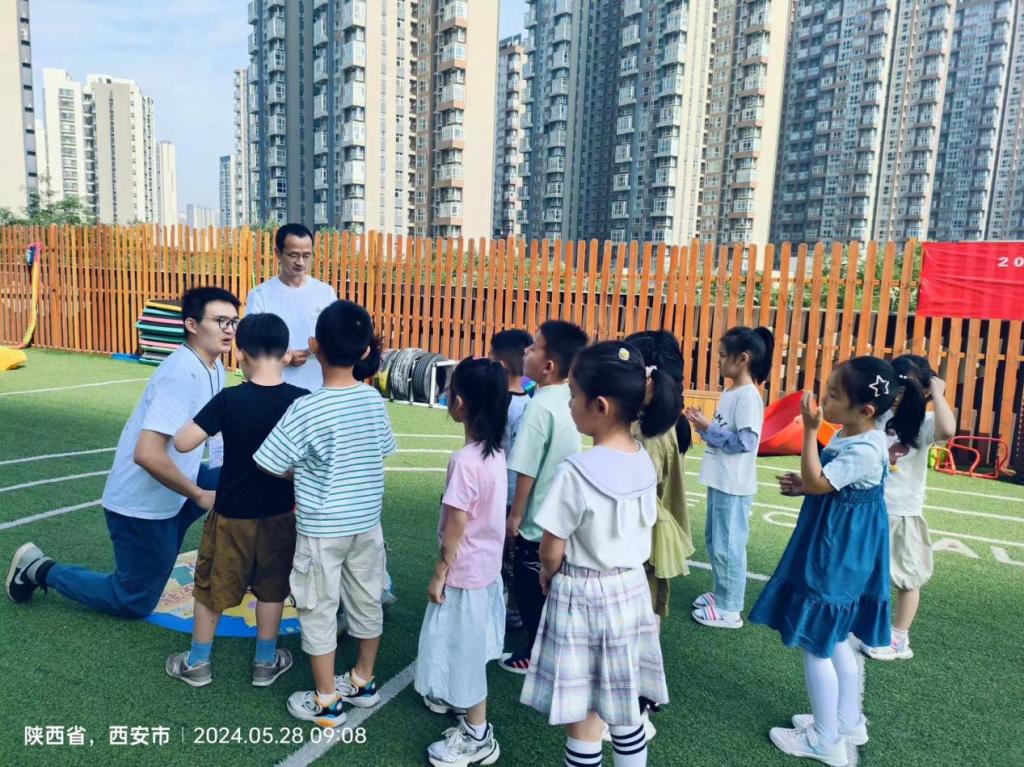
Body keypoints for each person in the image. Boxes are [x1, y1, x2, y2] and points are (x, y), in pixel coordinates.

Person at [6, 287, 239, 617]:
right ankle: (40, 569)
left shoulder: (213, 368)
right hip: (141, 505)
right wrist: (199, 494)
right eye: (220, 321)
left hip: (173, 489)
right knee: (134, 600)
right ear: (191, 324)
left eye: (234, 322)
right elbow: (146, 454)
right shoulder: (181, 375)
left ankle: (192, 546)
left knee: (242, 476)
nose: (229, 329)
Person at [749, 357, 925, 766]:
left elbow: (820, 481)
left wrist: (810, 433)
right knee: (840, 636)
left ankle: (825, 738)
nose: (824, 401)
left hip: (836, 552)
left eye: (832, 395)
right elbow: (827, 484)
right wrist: (808, 487)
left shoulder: (864, 447)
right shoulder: (861, 436)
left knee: (817, 644)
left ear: (865, 410)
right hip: (847, 550)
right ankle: (847, 721)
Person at [520, 341, 679, 767]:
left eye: (574, 395)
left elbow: (551, 547)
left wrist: (548, 572)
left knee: (584, 720)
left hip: (583, 597)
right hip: (630, 592)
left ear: (601, 406)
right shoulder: (643, 458)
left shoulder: (575, 472)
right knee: (625, 708)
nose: (570, 403)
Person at [254, 300, 395, 728]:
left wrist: (304, 471)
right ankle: (363, 681)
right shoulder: (372, 399)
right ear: (364, 350)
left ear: (314, 346)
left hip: (321, 528)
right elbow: (382, 449)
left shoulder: (307, 408)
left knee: (317, 608)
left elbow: (270, 463)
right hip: (366, 524)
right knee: (367, 600)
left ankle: (327, 699)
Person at [165, 313, 308, 688]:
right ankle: (265, 662)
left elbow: (182, 442)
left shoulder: (229, 400)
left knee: (211, 586)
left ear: (240, 353)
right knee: (273, 587)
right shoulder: (302, 401)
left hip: (231, 514)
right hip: (281, 514)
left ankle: (198, 662)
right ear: (285, 353)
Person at [414, 357, 508, 766]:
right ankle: (459, 704)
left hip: (463, 573)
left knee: (464, 652)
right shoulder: (495, 454)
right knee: (467, 644)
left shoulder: (466, 461)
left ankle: (477, 733)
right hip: (484, 571)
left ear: (460, 403)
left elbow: (456, 523)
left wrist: (440, 573)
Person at [502, 319, 588, 674]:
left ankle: (535, 651)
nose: (526, 352)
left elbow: (527, 467)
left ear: (548, 366)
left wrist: (515, 516)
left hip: (537, 520)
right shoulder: (569, 399)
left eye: (534, 347)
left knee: (528, 587)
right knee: (550, 587)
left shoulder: (538, 406)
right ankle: (546, 644)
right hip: (562, 517)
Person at [864, 354, 954, 662]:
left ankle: (899, 637)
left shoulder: (923, 425)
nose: (898, 397)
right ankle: (865, 625)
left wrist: (938, 394)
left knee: (907, 576)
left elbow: (947, 430)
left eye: (906, 391)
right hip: (870, 507)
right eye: (895, 388)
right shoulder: (877, 417)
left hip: (902, 512)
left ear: (924, 391)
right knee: (865, 571)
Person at [684, 326, 774, 629]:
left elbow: (746, 442)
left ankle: (730, 608)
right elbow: (724, 435)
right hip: (721, 479)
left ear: (743, 358)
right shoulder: (731, 391)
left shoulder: (748, 396)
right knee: (716, 541)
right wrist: (703, 426)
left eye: (723, 356)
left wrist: (708, 427)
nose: (719, 362)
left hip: (734, 485)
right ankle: (722, 593)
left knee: (729, 546)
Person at [246, 222, 338, 392]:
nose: (300, 262)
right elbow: (250, 344)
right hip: (274, 389)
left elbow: (336, 337)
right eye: (293, 255)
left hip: (318, 390)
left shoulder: (326, 292)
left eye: (306, 255)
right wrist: (284, 358)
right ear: (277, 253)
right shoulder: (260, 295)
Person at [488, 328, 533, 632]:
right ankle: (509, 607)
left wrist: (516, 507)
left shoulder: (513, 407)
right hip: (508, 495)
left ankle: (511, 609)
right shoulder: (526, 405)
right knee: (507, 557)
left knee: (505, 556)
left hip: (504, 496)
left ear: (501, 364)